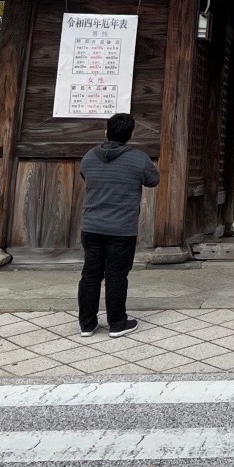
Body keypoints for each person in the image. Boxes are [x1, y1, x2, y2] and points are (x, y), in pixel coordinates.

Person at [76, 111, 159, 339]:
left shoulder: (89, 157)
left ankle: (87, 323)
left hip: (91, 226)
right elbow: (154, 180)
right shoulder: (138, 159)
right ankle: (117, 322)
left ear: (106, 132)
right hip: (122, 228)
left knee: (90, 274)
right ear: (131, 134)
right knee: (116, 275)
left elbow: (85, 175)